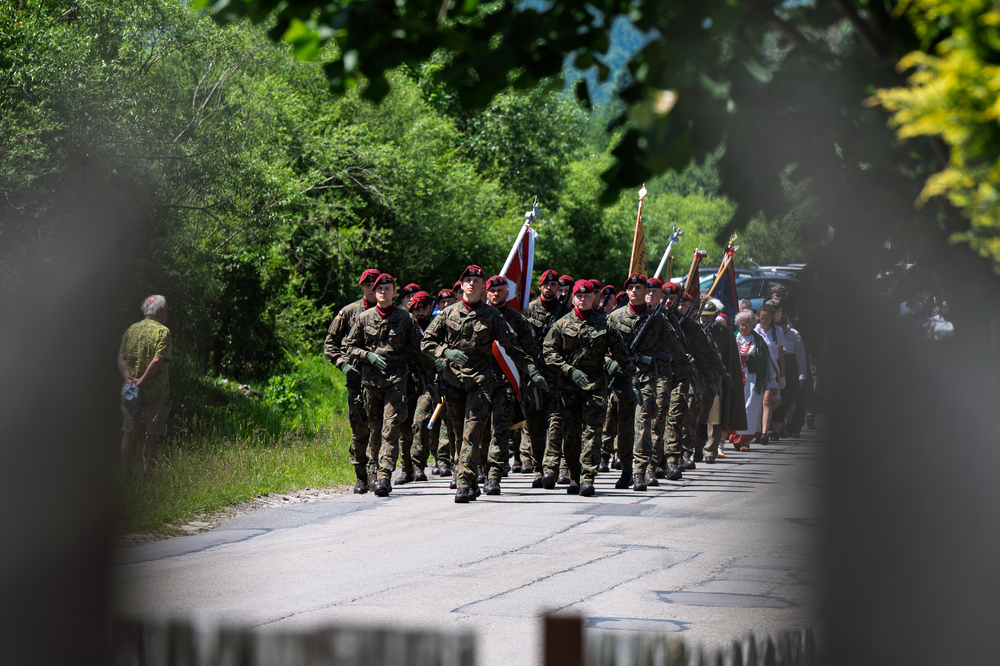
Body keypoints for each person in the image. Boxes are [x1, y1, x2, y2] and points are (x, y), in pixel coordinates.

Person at [421, 265, 541, 503]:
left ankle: (464, 484)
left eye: (476, 281)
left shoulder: (492, 315)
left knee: (472, 432)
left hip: (480, 383)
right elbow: (426, 343)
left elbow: (511, 346)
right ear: (462, 285)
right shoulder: (448, 313)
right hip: (454, 382)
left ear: (482, 287)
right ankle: (472, 478)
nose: (471, 284)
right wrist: (446, 352)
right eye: (467, 280)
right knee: (458, 435)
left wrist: (532, 370)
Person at [342, 274, 433, 496]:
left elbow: (418, 350)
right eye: (379, 289)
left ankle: (384, 475)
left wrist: (431, 374)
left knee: (390, 428)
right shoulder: (364, 318)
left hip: (396, 382)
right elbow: (349, 347)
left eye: (388, 288)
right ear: (375, 292)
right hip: (371, 384)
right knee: (374, 430)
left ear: (394, 292)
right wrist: (367, 355)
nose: (383, 292)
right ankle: (373, 471)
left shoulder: (405, 319)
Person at [543, 279, 635, 497]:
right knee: (571, 434)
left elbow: (621, 353)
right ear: (573, 298)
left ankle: (588, 478)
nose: (583, 299)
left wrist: (631, 376)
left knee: (592, 433)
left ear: (594, 297)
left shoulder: (605, 324)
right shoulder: (562, 324)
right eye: (579, 295)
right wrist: (568, 370)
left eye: (587, 296)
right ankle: (575, 476)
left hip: (595, 387)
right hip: (569, 388)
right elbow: (548, 353)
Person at [608, 274, 689, 490]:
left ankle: (639, 472)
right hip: (622, 380)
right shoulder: (615, 318)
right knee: (624, 426)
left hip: (646, 379)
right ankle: (626, 471)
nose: (635, 291)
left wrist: (688, 366)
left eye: (639, 287)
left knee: (643, 424)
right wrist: (611, 365)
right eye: (631, 287)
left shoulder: (657, 319)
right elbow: (602, 350)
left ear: (646, 292)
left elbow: (673, 345)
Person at [482, 275, 545, 495]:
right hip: (479, 382)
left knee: (500, 430)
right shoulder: (478, 316)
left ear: (507, 292)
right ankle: (479, 470)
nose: (496, 294)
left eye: (500, 290)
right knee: (480, 430)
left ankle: (494, 476)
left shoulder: (518, 320)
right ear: (486, 293)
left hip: (506, 382)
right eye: (492, 291)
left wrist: (532, 374)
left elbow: (529, 351)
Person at [324, 268, 379, 493]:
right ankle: (361, 476)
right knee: (360, 428)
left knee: (380, 428)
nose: (372, 289)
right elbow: (330, 343)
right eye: (367, 285)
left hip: (382, 380)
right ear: (362, 287)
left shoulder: (391, 312)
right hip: (357, 379)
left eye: (375, 285)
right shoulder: (349, 312)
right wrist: (343, 365)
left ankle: (377, 473)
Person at [523, 269, 571, 488]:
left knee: (556, 423)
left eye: (554, 285)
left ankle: (551, 468)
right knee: (535, 426)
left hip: (557, 377)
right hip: (533, 376)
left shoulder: (566, 312)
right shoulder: (528, 310)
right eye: (546, 285)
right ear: (540, 287)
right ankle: (538, 469)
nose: (550, 288)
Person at [118, 295, 172, 473]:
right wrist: (142, 381)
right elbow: (158, 360)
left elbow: (121, 358)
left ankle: (127, 474)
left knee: (129, 432)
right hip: (156, 392)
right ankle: (148, 474)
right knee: (153, 434)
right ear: (161, 310)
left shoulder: (131, 329)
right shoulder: (163, 332)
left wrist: (128, 378)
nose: (167, 312)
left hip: (131, 392)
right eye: (167, 309)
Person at [698, 299, 747, 462]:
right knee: (696, 414)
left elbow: (730, 359)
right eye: (703, 315)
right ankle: (697, 449)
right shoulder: (694, 329)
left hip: (716, 379)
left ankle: (710, 451)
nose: (705, 319)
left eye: (709, 316)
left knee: (715, 415)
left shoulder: (724, 333)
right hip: (698, 377)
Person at [733, 310, 771, 450]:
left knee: (750, 407)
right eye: (742, 324)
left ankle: (745, 441)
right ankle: (736, 437)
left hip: (754, 378)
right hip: (736, 377)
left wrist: (772, 380)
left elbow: (766, 362)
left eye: (747, 324)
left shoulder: (759, 341)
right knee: (737, 406)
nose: (744, 327)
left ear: (753, 325)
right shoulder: (733, 338)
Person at [754, 300, 785, 443]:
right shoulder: (755, 331)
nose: (764, 321)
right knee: (757, 401)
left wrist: (783, 376)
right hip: (757, 370)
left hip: (772, 370)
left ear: (772, 318)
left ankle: (764, 433)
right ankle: (756, 430)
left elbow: (781, 355)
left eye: (767, 319)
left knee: (767, 400)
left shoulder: (778, 331)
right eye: (762, 318)